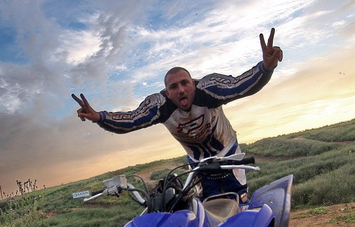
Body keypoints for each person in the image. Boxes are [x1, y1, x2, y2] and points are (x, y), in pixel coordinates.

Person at [72, 27, 283, 199]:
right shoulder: (159, 105)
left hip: (228, 152)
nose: (181, 90)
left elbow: (240, 86)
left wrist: (265, 68)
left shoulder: (209, 89)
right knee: (207, 205)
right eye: (174, 87)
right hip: (196, 162)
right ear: (167, 92)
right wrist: (99, 117)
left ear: (193, 83)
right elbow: (131, 120)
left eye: (184, 83)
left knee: (237, 198)